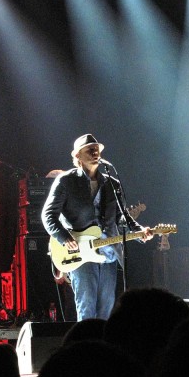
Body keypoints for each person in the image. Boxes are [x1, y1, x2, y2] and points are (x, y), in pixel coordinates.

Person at [41, 134, 153, 321]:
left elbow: (122, 217)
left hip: (108, 254)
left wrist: (139, 231)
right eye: (89, 149)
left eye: (97, 149)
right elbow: (48, 215)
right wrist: (64, 237)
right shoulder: (66, 181)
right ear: (77, 156)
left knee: (106, 311)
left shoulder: (112, 183)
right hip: (81, 254)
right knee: (86, 309)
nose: (95, 152)